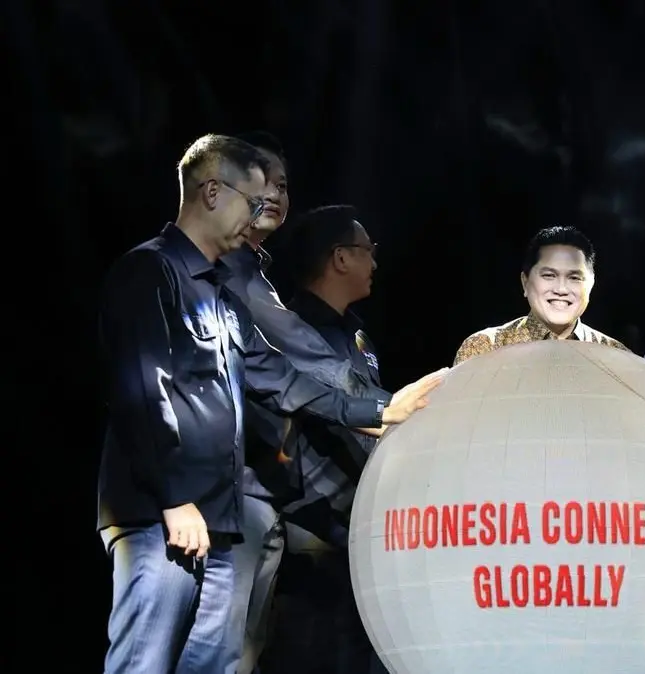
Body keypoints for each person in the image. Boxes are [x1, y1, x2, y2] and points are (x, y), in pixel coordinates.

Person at [97, 133, 445, 674]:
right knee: (145, 660)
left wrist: (381, 411)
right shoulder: (149, 272)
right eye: (252, 201)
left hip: (220, 515)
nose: (260, 216)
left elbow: (279, 379)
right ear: (212, 192)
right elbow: (142, 391)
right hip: (159, 513)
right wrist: (174, 499)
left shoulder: (223, 295)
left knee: (214, 663)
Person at [258, 205, 387, 674]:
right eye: (367, 251)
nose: (374, 262)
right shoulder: (289, 332)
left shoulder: (355, 332)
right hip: (308, 529)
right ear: (340, 258)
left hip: (355, 531)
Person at [453, 225, 628, 364]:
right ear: (525, 282)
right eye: (549, 276)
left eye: (574, 277)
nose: (561, 289)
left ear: (591, 284)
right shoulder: (484, 349)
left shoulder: (616, 357)